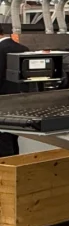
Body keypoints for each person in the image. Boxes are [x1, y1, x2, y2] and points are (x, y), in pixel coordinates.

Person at [0, 25, 28, 157]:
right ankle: (15, 162)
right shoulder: (23, 48)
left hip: (2, 102)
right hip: (21, 102)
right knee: (13, 135)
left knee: (2, 140)